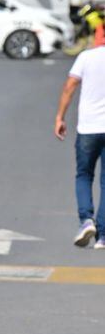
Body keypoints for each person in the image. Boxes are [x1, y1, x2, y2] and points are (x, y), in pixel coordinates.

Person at [56, 43, 105, 247]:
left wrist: (60, 117)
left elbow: (70, 86)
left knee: (84, 175)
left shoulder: (87, 57)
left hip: (88, 128)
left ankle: (86, 220)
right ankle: (102, 236)